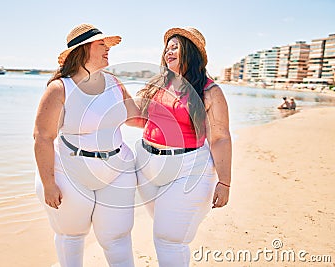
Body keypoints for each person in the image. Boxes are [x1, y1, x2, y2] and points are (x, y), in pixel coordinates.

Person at [33, 23, 139, 267]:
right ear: (82, 50)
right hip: (70, 173)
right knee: (71, 236)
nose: (107, 49)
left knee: (118, 237)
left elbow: (135, 117)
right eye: (101, 44)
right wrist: (49, 184)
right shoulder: (60, 88)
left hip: (117, 170)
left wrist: (176, 109)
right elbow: (42, 137)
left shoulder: (114, 83)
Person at [133, 27, 232, 266]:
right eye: (167, 48)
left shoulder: (209, 91)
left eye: (175, 46)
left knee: (169, 240)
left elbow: (220, 138)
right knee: (166, 231)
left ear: (191, 51)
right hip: (147, 168)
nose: (169, 51)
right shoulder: (158, 84)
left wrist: (225, 181)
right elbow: (140, 119)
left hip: (187, 169)